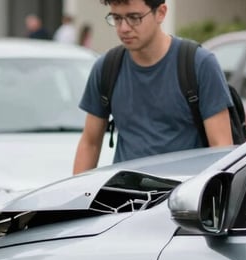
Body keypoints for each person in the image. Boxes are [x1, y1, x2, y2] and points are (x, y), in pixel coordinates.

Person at [73, 0, 234, 174]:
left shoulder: (198, 64)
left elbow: (221, 147)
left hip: (183, 195)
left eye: (134, 18)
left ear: (161, 13)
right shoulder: (106, 67)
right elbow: (90, 143)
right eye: (117, 18)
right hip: (125, 197)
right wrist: (76, 196)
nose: (124, 28)